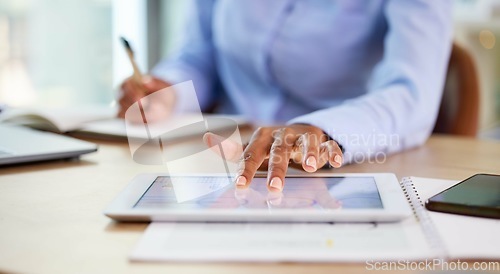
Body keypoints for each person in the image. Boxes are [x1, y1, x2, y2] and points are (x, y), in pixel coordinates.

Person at [118, 0, 453, 192]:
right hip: (223, 156)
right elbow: (201, 54)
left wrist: (318, 128)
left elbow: (411, 94)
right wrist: (168, 91)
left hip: (347, 166)